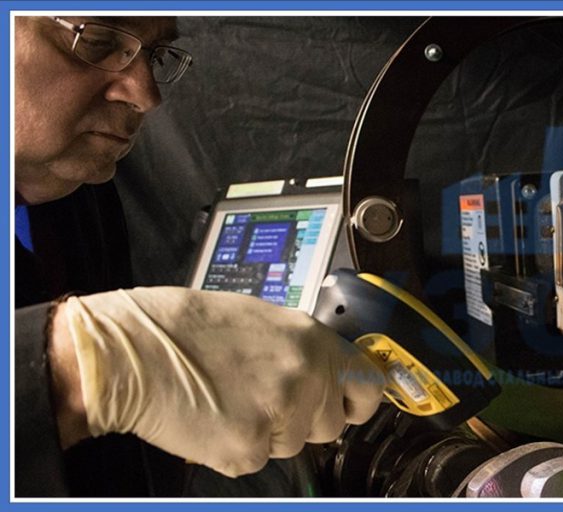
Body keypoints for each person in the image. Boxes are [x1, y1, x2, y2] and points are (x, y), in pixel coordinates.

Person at [13, 15, 384, 496]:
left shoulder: (78, 195)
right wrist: (74, 367)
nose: (146, 95)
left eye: (155, 57)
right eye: (99, 40)